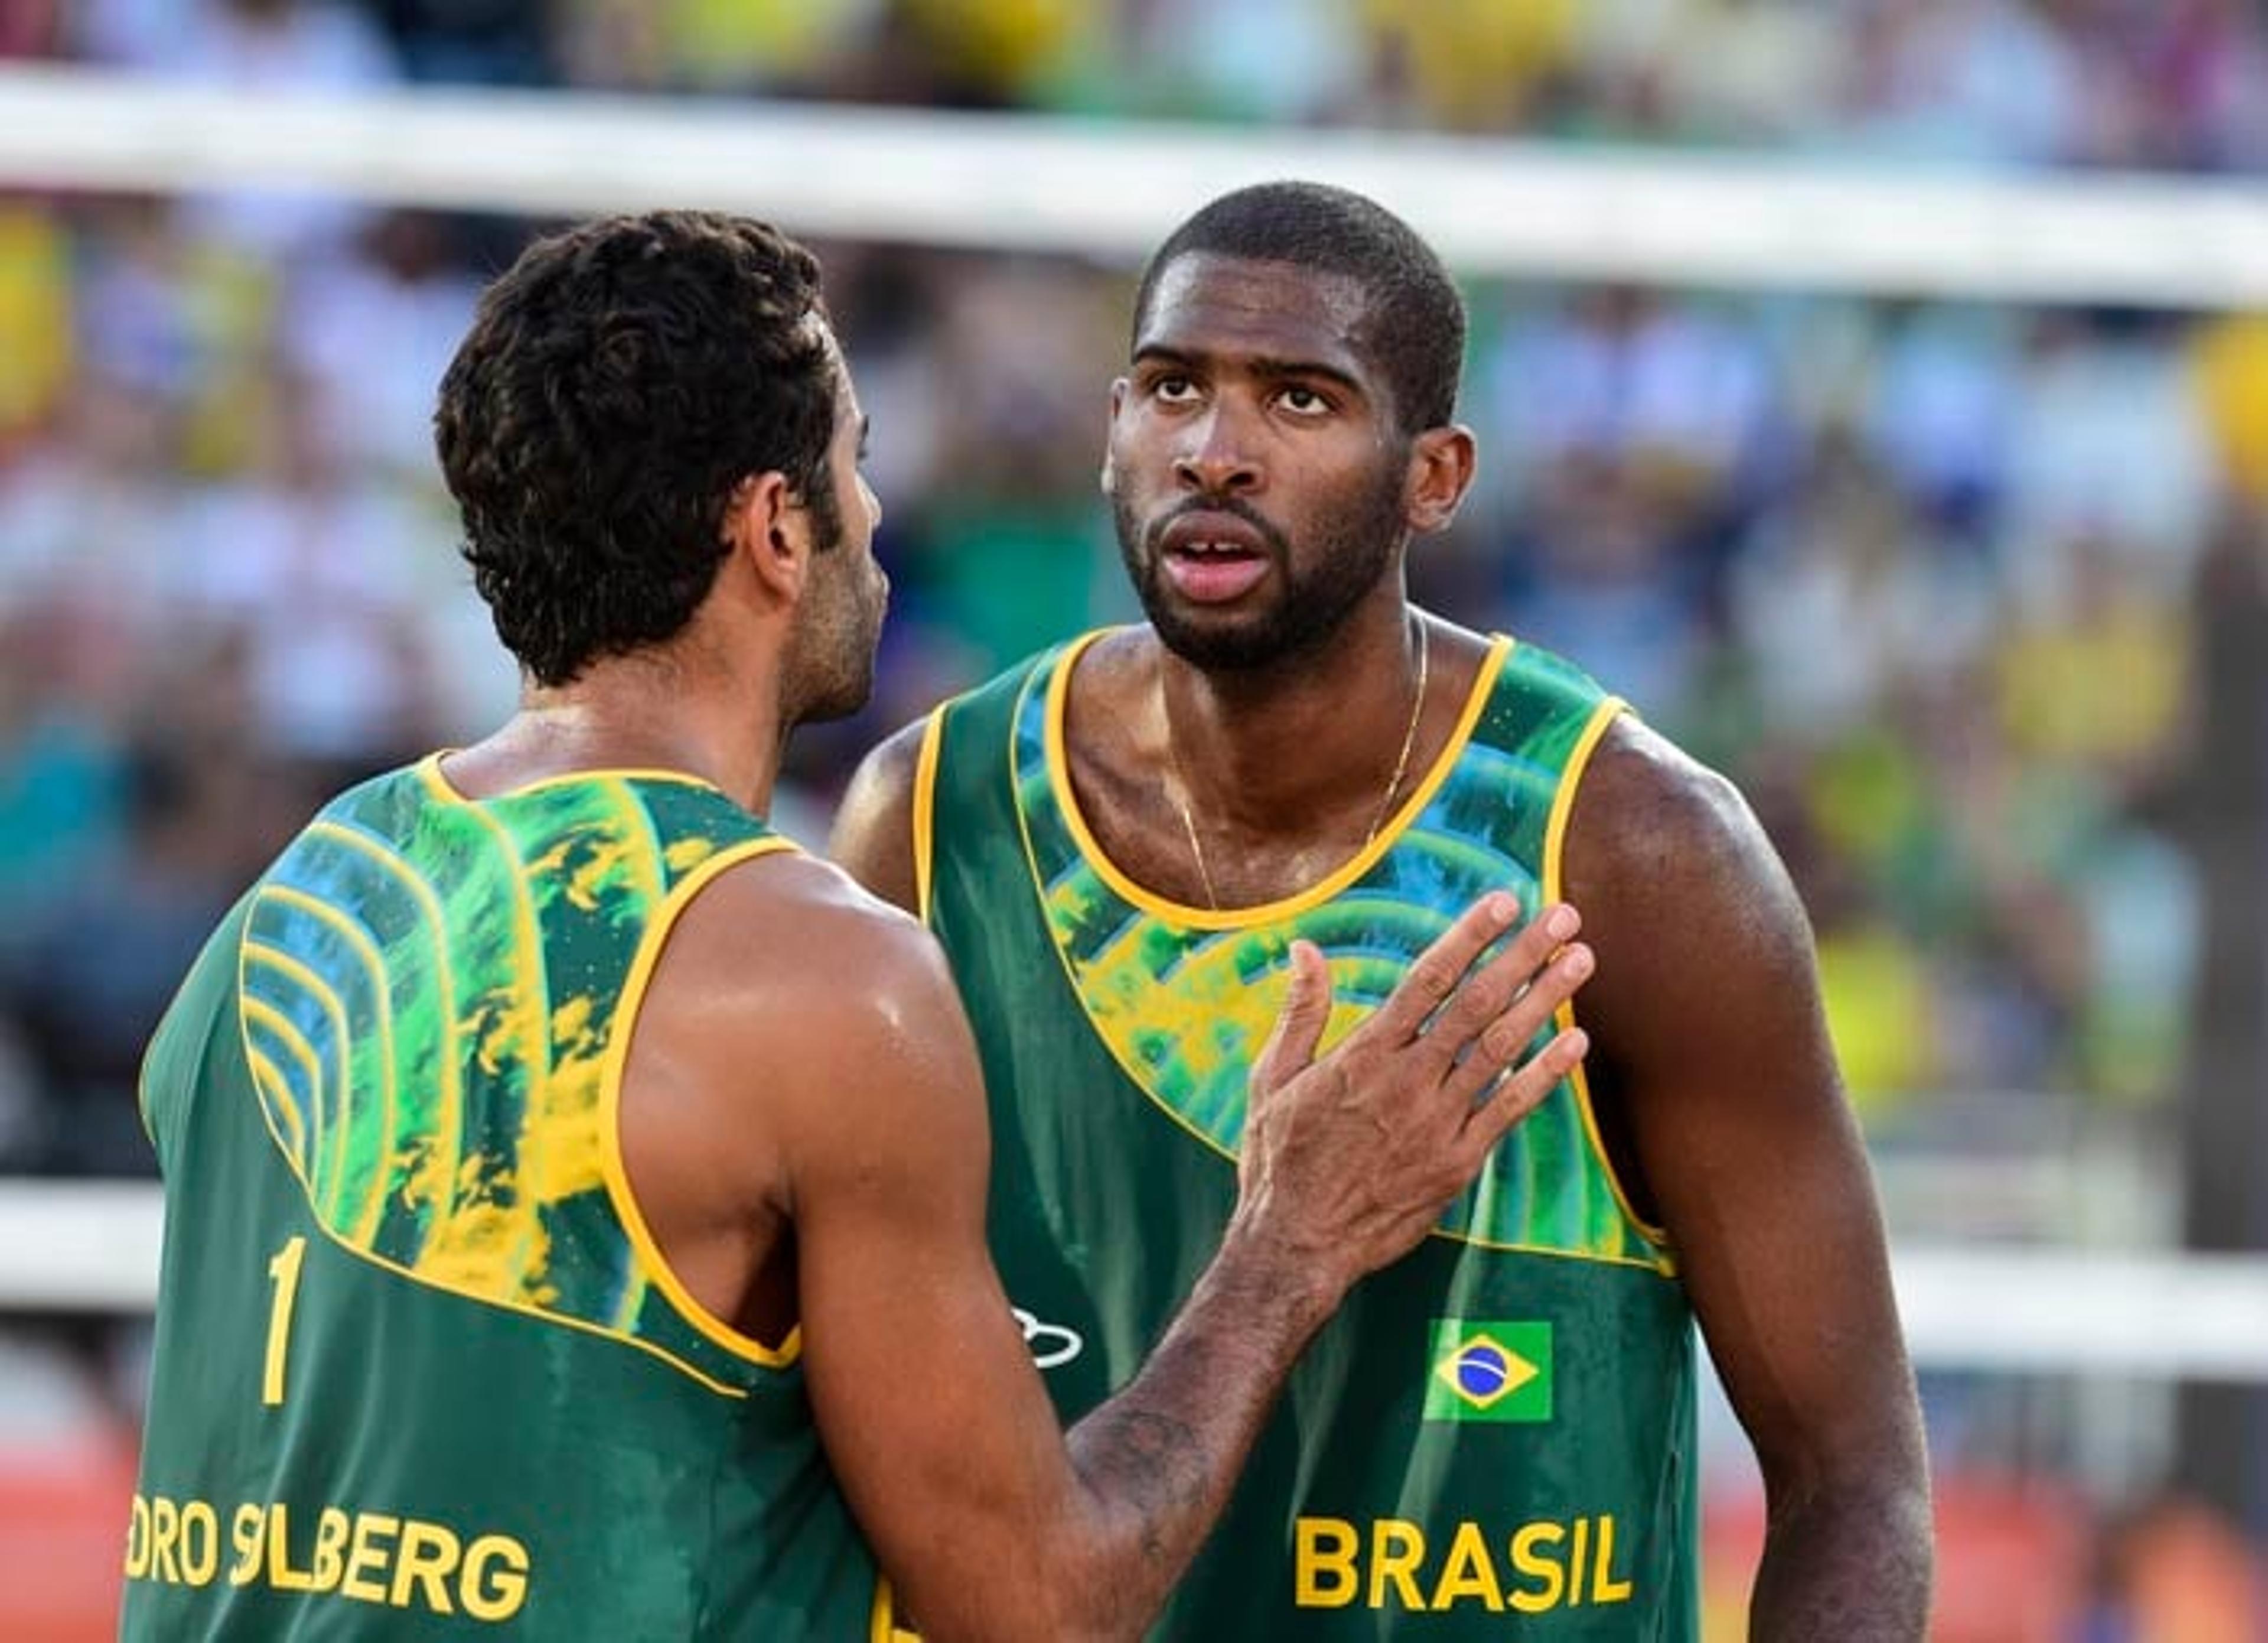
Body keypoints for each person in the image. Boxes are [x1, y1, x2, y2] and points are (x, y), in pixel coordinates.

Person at [119, 210, 1602, 1642]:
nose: (879, 521)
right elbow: (1042, 1603)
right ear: (775, 527)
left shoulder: (292, 903)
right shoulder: (820, 976)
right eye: (856, 466)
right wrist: (1292, 1237)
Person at [831, 181, 1935, 1639]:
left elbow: (1853, 1479)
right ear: (1114, 424)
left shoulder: (1629, 853)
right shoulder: (931, 821)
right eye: (1173, 389)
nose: (1214, 453)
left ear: (1437, 476)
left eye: (1299, 400)